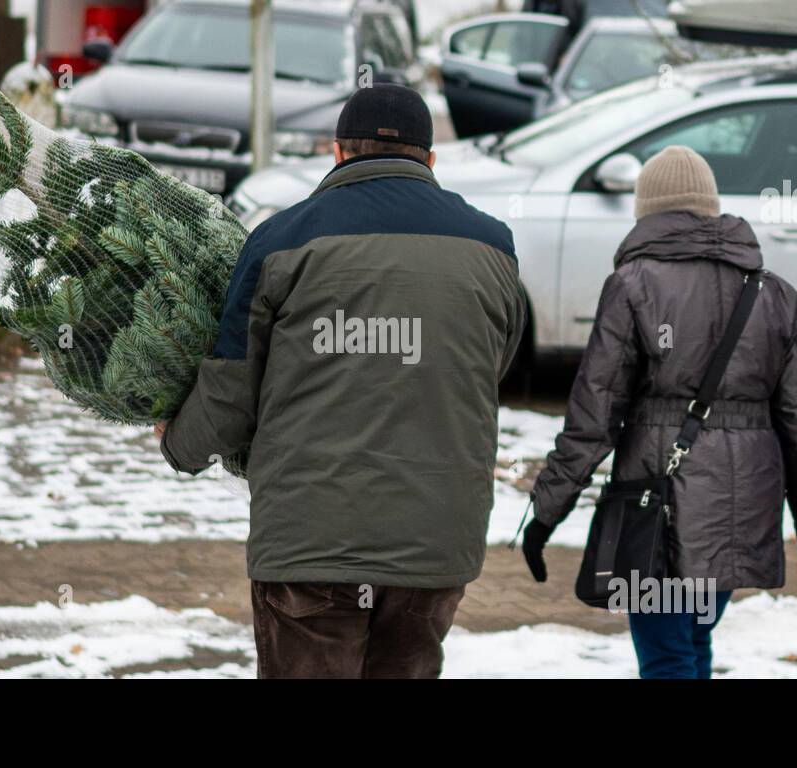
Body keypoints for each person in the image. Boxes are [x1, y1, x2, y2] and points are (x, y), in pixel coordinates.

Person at [158, 84, 526, 679]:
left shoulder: (282, 239)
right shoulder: (492, 246)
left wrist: (180, 444)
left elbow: (231, 387)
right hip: (433, 544)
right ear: (430, 159)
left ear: (337, 153)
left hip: (312, 543)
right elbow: (490, 366)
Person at [521, 146, 797, 679]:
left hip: (658, 501)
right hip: (744, 503)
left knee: (667, 655)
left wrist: (548, 508)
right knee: (693, 641)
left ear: (647, 212)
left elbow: (595, 414)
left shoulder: (632, 285)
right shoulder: (773, 293)